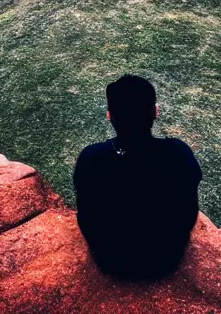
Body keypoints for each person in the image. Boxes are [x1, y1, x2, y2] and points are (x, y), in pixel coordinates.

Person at [73, 74, 202, 280]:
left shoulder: (91, 158)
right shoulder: (179, 153)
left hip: (111, 261)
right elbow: (188, 213)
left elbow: (86, 218)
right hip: (167, 259)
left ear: (109, 116)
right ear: (155, 112)